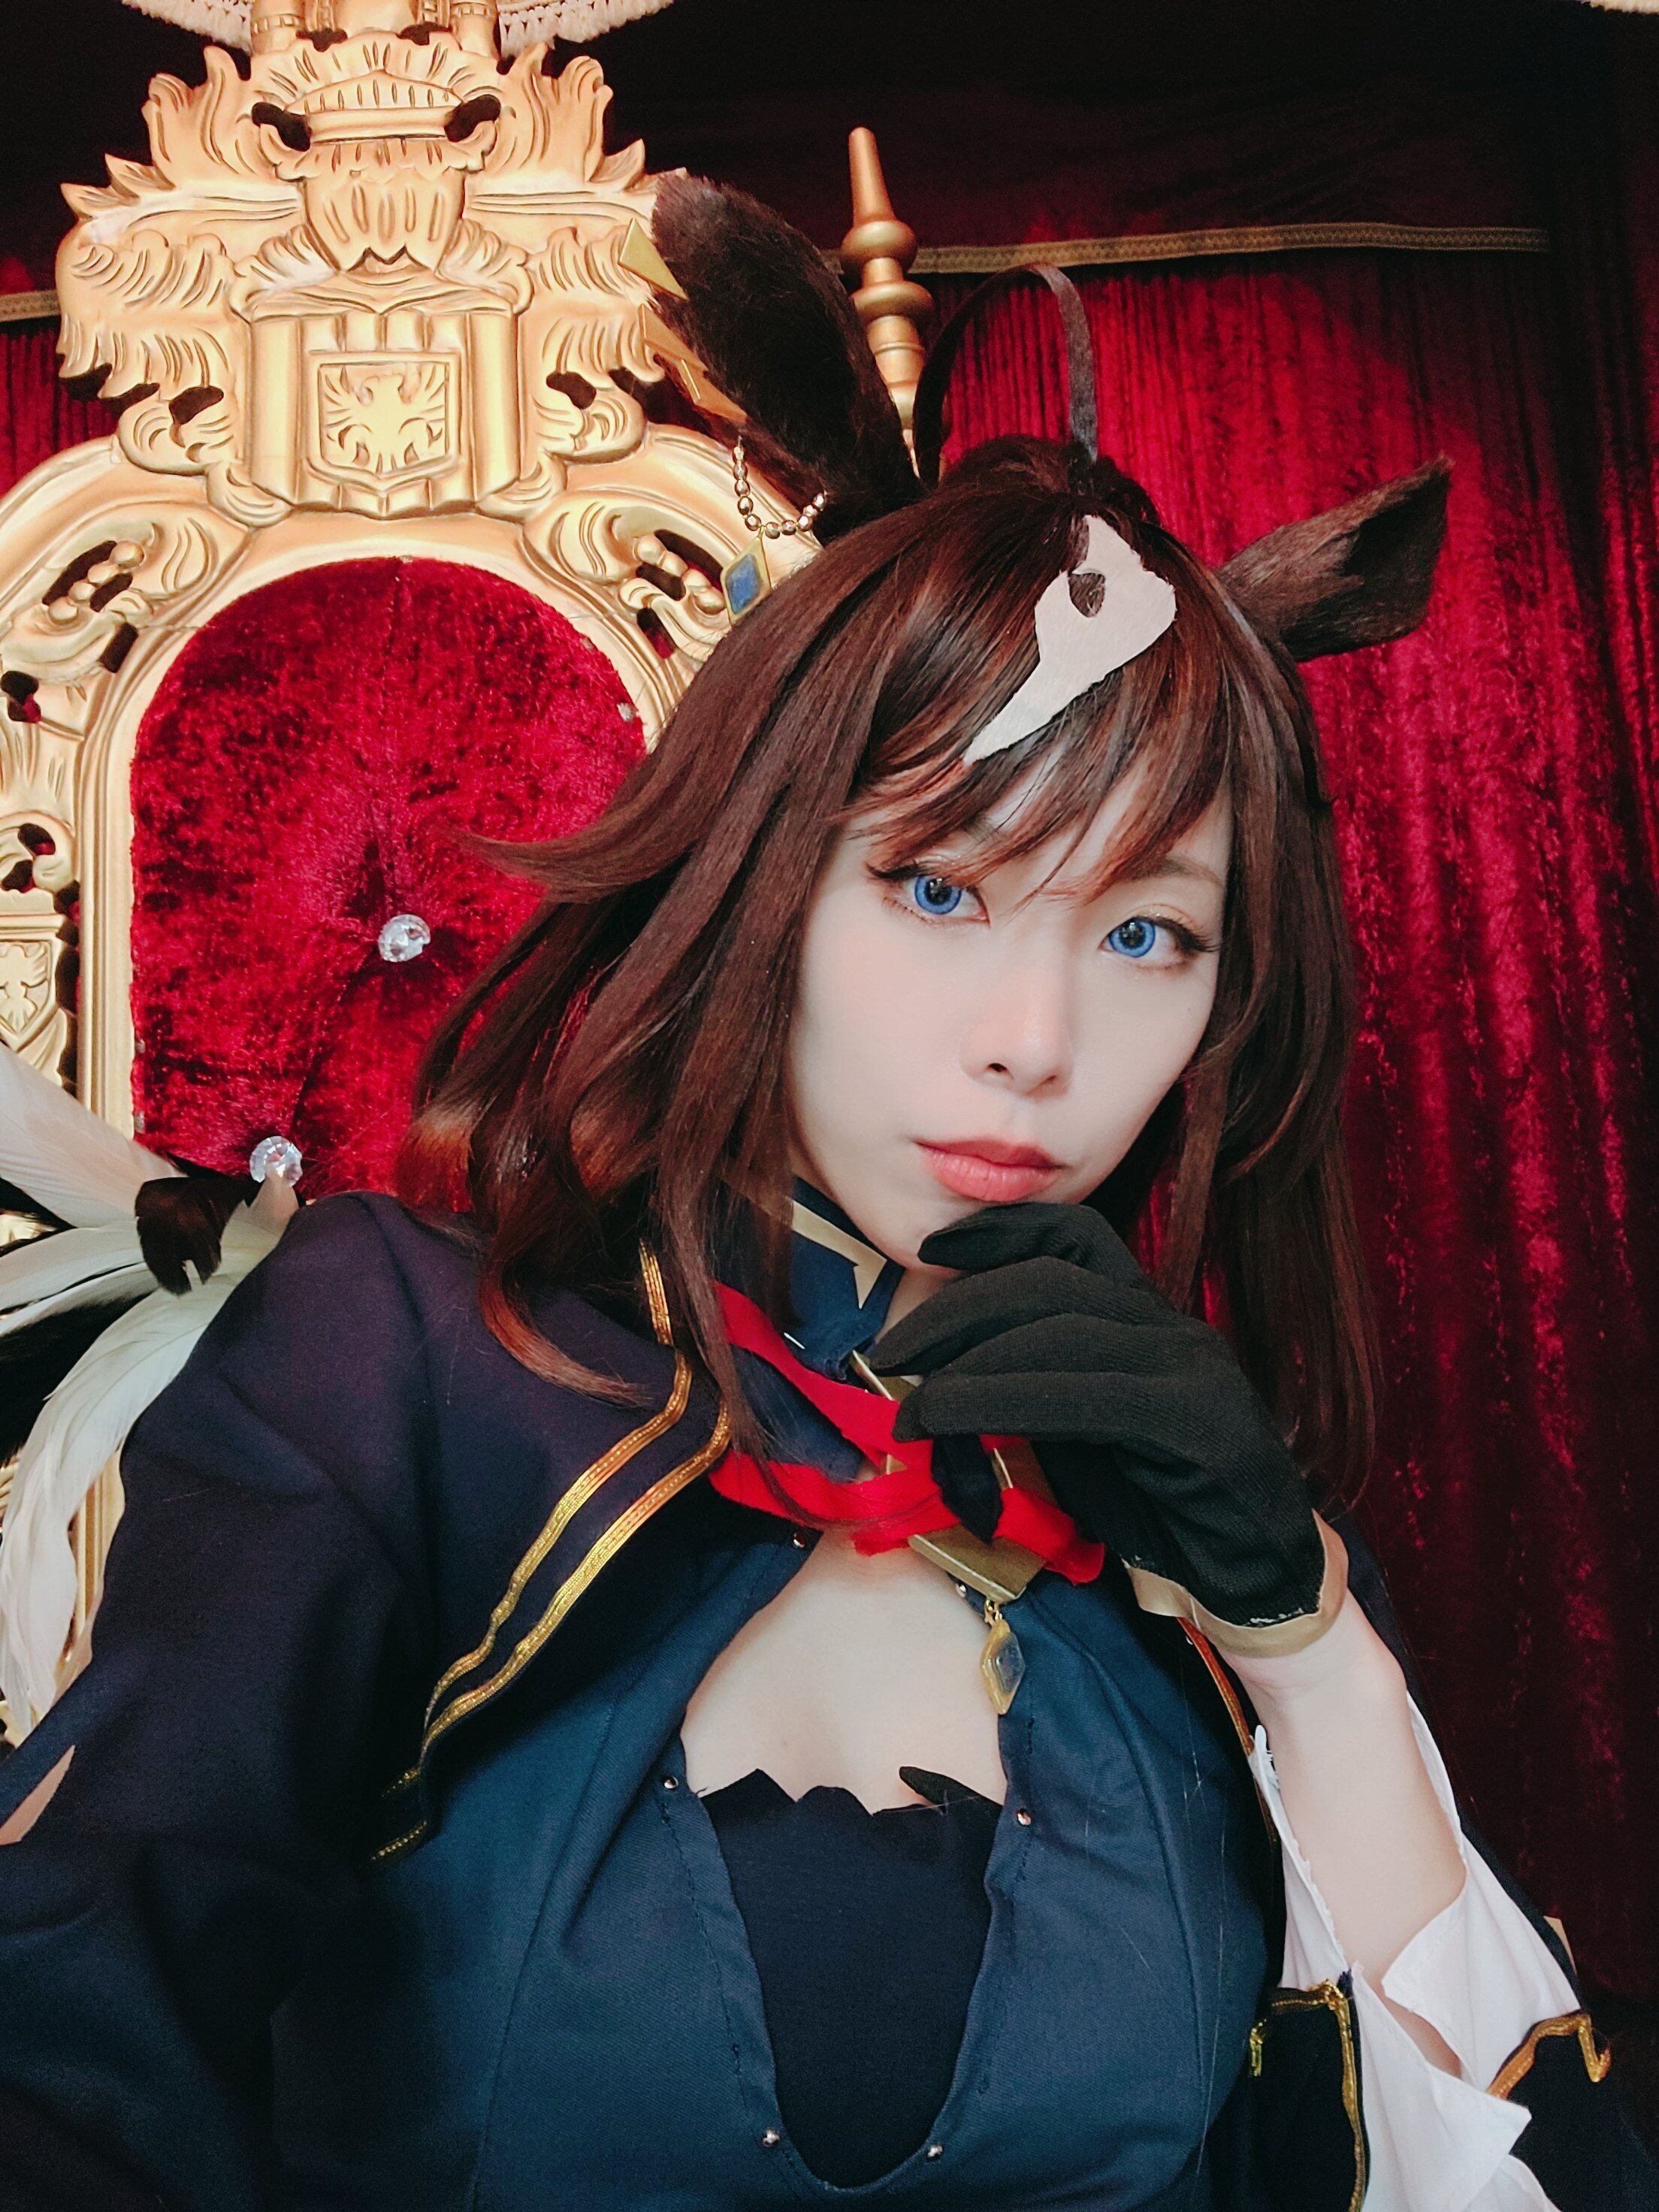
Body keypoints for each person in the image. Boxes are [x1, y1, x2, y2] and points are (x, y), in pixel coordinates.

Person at [0, 195, 1652, 2212]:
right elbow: (79, 2051)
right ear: (765, 882)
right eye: (940, 888)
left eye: (1149, 933)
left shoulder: (1200, 1509)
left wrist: (1306, 1638)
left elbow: (1500, 2177)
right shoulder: (400, 1361)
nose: (1035, 1040)